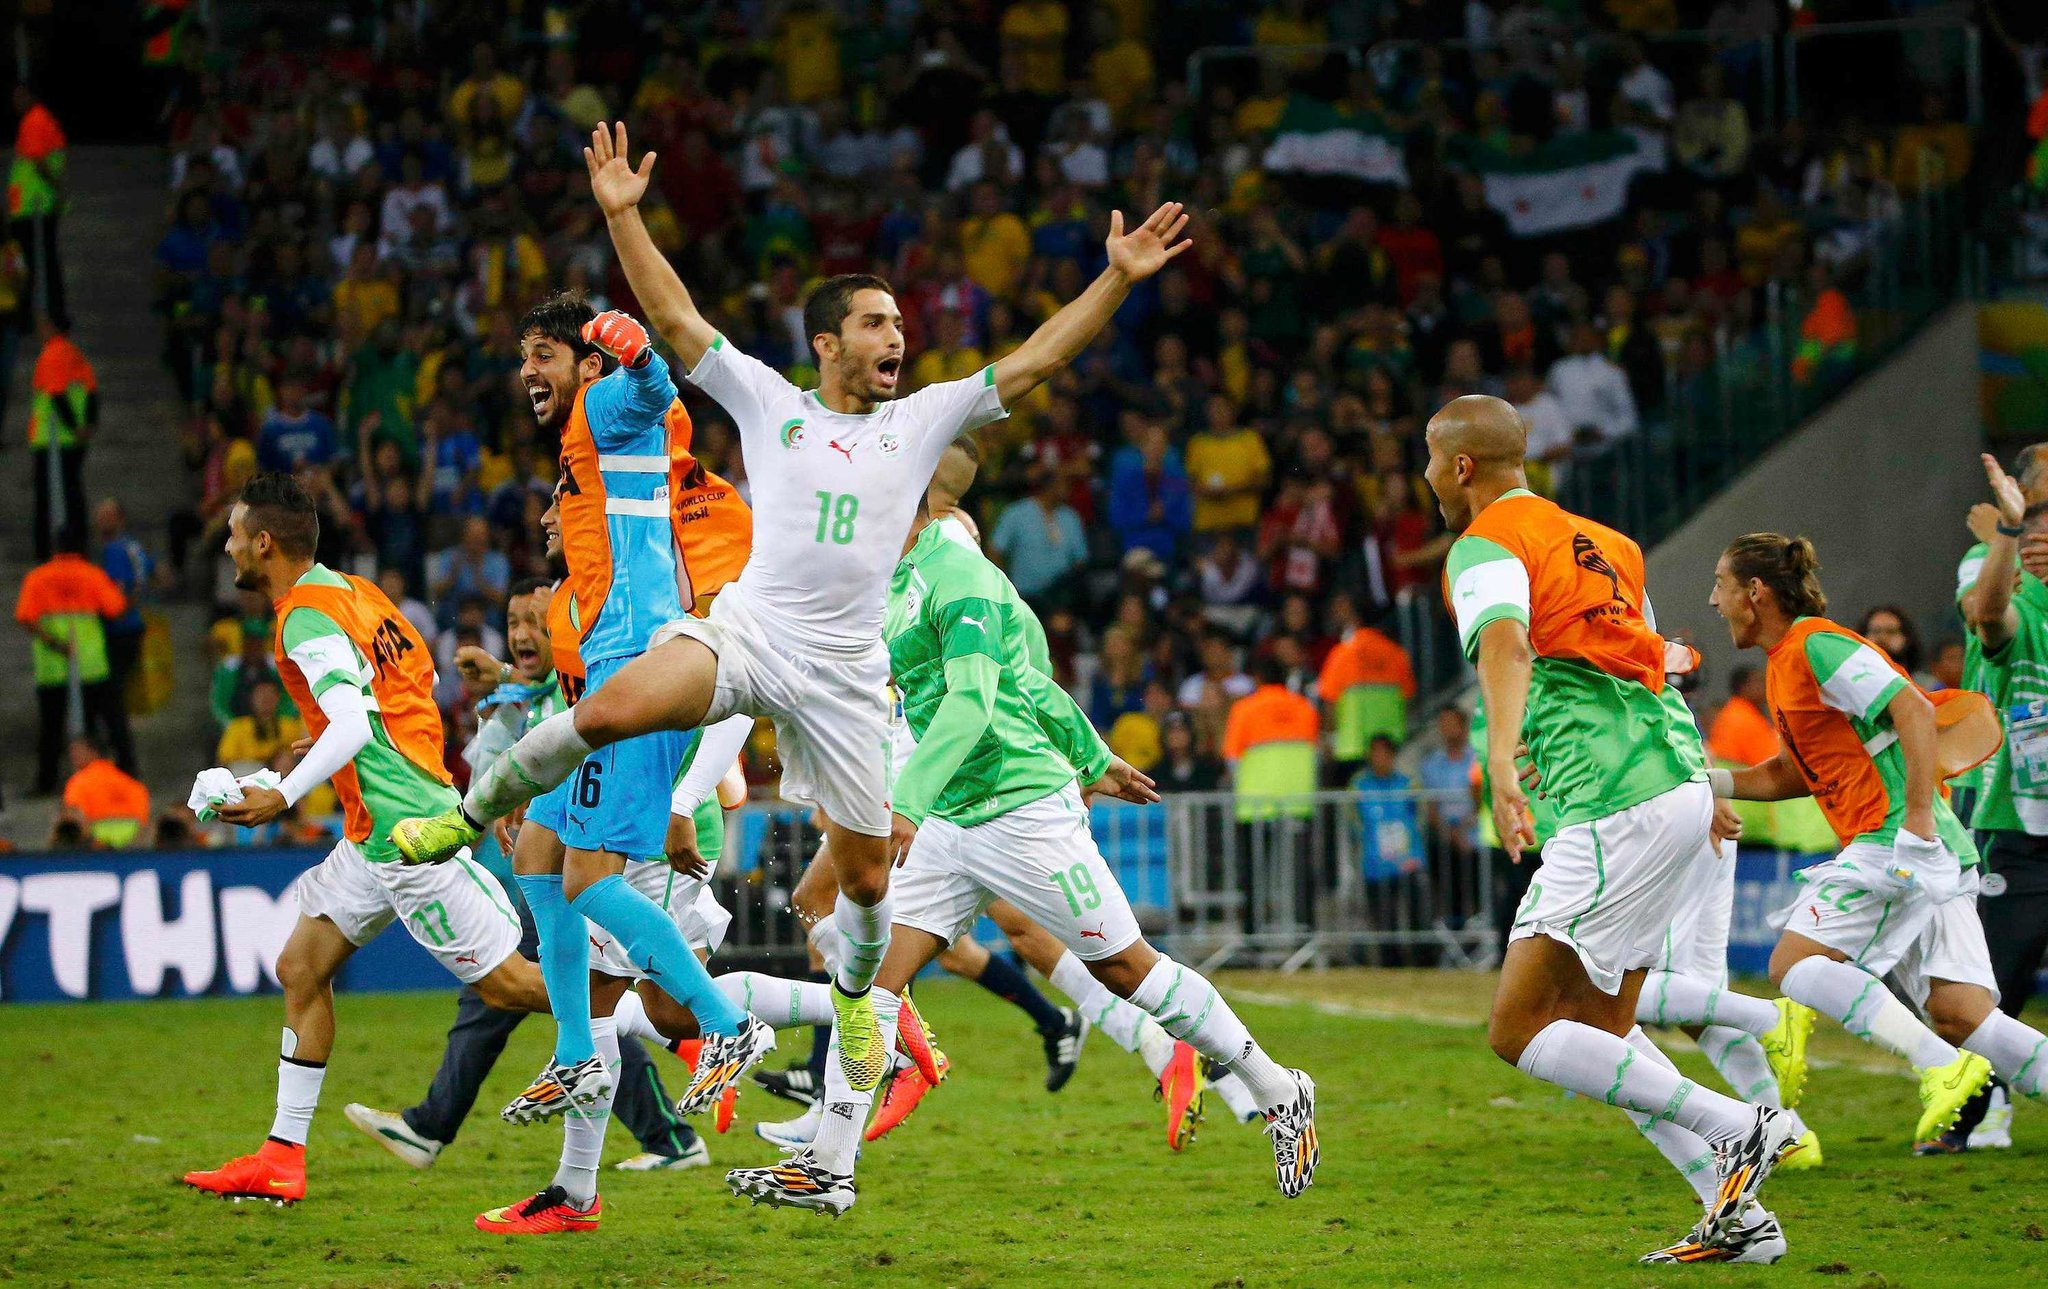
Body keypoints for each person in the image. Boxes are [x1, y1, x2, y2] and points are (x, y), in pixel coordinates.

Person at [392, 122, 1194, 1154]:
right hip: (751, 636)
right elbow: (675, 319)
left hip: (847, 680)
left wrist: (1116, 278)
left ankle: (859, 1004)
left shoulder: (921, 420)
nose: (895, 335)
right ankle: (464, 815)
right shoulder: (770, 402)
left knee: (861, 885)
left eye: (898, 320)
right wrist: (623, 216)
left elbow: (1039, 359)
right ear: (827, 342)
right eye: (874, 322)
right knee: (606, 709)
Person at [724, 478, 1315, 1214]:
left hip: (1020, 808)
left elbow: (981, 698)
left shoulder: (960, 577)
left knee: (1128, 968)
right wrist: (1091, 755)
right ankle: (830, 1166)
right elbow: (1016, 680)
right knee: (869, 981)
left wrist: (915, 801)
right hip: (949, 817)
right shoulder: (889, 579)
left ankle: (1278, 1088)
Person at [1424, 394, 1796, 1265]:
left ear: (1463, 466)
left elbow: (1506, 644)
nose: (1429, 476)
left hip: (1613, 802)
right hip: (1668, 782)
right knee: (1600, 1027)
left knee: (1518, 1029)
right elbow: (1654, 666)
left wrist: (1502, 761)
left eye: (1432, 460)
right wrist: (1700, 779)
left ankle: (1742, 1123)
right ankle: (1737, 1215)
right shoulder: (1609, 543)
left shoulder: (1485, 542)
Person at [449, 295, 771, 1236]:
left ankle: (727, 1025)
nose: (528, 372)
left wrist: (633, 348)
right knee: (537, 853)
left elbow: (654, 388)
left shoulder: (605, 406)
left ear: (583, 363)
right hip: (608, 672)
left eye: (542, 353)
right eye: (523, 356)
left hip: (637, 669)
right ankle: (576, 1063)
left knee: (587, 880)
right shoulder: (586, 441)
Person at [182, 473, 549, 1207]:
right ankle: (282, 1156)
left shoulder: (302, 617)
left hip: (403, 831)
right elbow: (410, 679)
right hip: (372, 830)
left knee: (509, 986)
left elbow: (353, 722)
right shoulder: (354, 592)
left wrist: (284, 791)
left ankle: (684, 1016)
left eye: (234, 535)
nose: (227, 548)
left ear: (264, 542)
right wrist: (333, 732)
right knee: (300, 967)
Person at [343, 576, 712, 1181]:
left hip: (575, 876)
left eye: (534, 623)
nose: (520, 634)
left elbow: (584, 717)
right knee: (523, 999)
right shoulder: (521, 702)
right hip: (532, 881)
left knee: (572, 1003)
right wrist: (504, 690)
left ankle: (688, 1074)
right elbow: (492, 762)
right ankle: (436, 1127)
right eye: (512, 623)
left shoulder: (583, 692)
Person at [1708, 530, 2048, 1161]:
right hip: (1930, 847)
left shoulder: (1818, 644)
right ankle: (1951, 1057)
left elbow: (1913, 709)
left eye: (1720, 585)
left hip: (1896, 838)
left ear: (1754, 592)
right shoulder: (1786, 663)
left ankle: (1940, 1066)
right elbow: (1790, 775)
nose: (1713, 600)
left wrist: (1916, 821)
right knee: (1963, 1013)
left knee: (1793, 967)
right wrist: (1706, 783)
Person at [1942, 454, 2048, 1150]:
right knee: (1993, 979)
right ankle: (1980, 1110)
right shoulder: (1996, 573)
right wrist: (2005, 536)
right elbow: (1987, 615)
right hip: (2018, 817)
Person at [16, 527, 133, 793]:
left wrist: (55, 643)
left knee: (51, 727)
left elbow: (25, 617)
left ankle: (46, 782)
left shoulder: (38, 577)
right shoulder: (92, 575)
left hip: (52, 666)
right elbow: (116, 609)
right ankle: (124, 773)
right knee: (107, 722)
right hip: (91, 664)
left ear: (55, 547)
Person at [27, 314, 94, 560]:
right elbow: (91, 392)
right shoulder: (76, 355)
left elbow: (56, 393)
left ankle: (45, 552)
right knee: (74, 494)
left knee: (47, 499)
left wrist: (74, 426)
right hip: (74, 440)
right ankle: (79, 546)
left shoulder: (52, 353)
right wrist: (88, 425)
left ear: (52, 327)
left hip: (52, 439)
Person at [7, 84, 66, 327]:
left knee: (29, 263)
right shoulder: (41, 119)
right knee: (41, 262)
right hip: (34, 204)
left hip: (33, 206)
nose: (15, 102)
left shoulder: (34, 120)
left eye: (20, 96)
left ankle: (30, 316)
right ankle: (51, 314)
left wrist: (57, 189)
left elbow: (39, 160)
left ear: (32, 96)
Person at [94, 499, 154, 713]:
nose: (101, 520)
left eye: (107, 516)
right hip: (134, 625)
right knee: (116, 690)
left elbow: (118, 589)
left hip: (119, 629)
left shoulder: (115, 550)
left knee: (110, 692)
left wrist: (115, 613)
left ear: (121, 519)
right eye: (100, 515)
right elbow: (152, 571)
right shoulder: (133, 547)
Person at [60, 735, 149, 847]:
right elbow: (142, 816)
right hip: (131, 840)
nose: (73, 756)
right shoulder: (128, 782)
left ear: (93, 752)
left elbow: (73, 817)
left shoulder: (78, 782)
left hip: (95, 843)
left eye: (76, 751)